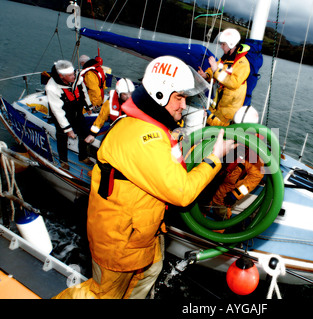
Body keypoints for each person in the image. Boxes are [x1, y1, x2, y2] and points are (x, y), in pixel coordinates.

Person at [53, 56, 236, 299]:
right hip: (120, 241)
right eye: (179, 97)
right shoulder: (145, 139)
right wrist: (214, 158)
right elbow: (182, 193)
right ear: (160, 95)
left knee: (150, 272)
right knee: (101, 294)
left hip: (140, 234)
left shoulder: (146, 127)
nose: (183, 105)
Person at [200, 105, 263, 224]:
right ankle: (198, 224)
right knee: (201, 202)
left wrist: (236, 194)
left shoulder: (254, 150)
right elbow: (220, 126)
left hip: (227, 189)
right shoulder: (230, 129)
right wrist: (210, 116)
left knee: (221, 214)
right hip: (212, 175)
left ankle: (218, 236)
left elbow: (254, 178)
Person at [45, 60, 95, 170]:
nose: (74, 76)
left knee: (84, 133)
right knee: (62, 137)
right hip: (63, 114)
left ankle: (83, 156)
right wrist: (68, 129)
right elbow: (58, 111)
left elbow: (83, 92)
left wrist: (88, 106)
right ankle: (63, 161)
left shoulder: (76, 78)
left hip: (77, 111)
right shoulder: (52, 88)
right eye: (71, 75)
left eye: (73, 73)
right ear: (61, 76)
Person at [198, 28, 250, 126]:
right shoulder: (225, 59)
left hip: (228, 111)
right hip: (218, 105)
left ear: (231, 44)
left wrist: (216, 70)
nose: (221, 47)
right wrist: (206, 75)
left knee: (220, 132)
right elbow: (215, 68)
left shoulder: (242, 63)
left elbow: (233, 83)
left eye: (223, 44)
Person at [84, 78, 135, 144]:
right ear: (118, 94)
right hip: (116, 129)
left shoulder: (137, 101)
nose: (128, 97)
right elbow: (100, 119)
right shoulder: (109, 103)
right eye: (125, 94)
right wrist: (92, 134)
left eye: (130, 93)